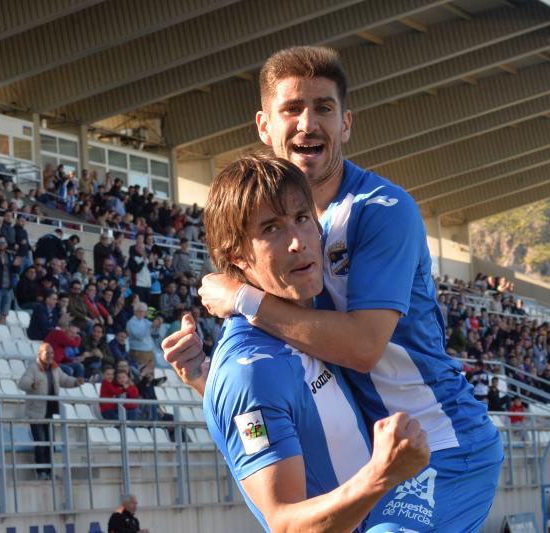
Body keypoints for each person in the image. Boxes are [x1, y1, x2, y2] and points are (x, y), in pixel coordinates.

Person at [164, 46, 501, 531]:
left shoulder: (381, 209)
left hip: (440, 442)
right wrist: (207, 378)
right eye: (292, 109)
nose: (308, 123)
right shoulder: (270, 238)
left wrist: (242, 299)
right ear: (264, 127)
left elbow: (363, 347)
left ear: (345, 124)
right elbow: (284, 384)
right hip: (376, 452)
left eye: (323, 107)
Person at [172, 156, 430, 531]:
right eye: (271, 229)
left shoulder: (311, 325)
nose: (297, 241)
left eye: (302, 218)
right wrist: (381, 474)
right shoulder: (249, 371)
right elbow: (285, 522)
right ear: (238, 257)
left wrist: (203, 380)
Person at [17, 342, 83, 480]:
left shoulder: (55, 368)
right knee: (41, 443)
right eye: (47, 353)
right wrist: (32, 385)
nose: (50, 356)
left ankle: (49, 472)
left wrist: (76, 382)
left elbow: (65, 380)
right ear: (40, 354)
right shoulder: (33, 368)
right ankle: (42, 473)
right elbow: (22, 383)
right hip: (36, 412)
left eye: (52, 353)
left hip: (49, 411)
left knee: (50, 444)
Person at [127, 303, 155, 378]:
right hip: (138, 350)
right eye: (139, 311)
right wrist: (150, 328)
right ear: (135, 312)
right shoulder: (131, 322)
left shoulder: (146, 321)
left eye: (143, 311)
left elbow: (154, 331)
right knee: (141, 371)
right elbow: (139, 336)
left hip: (149, 350)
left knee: (149, 371)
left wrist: (157, 324)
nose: (142, 313)